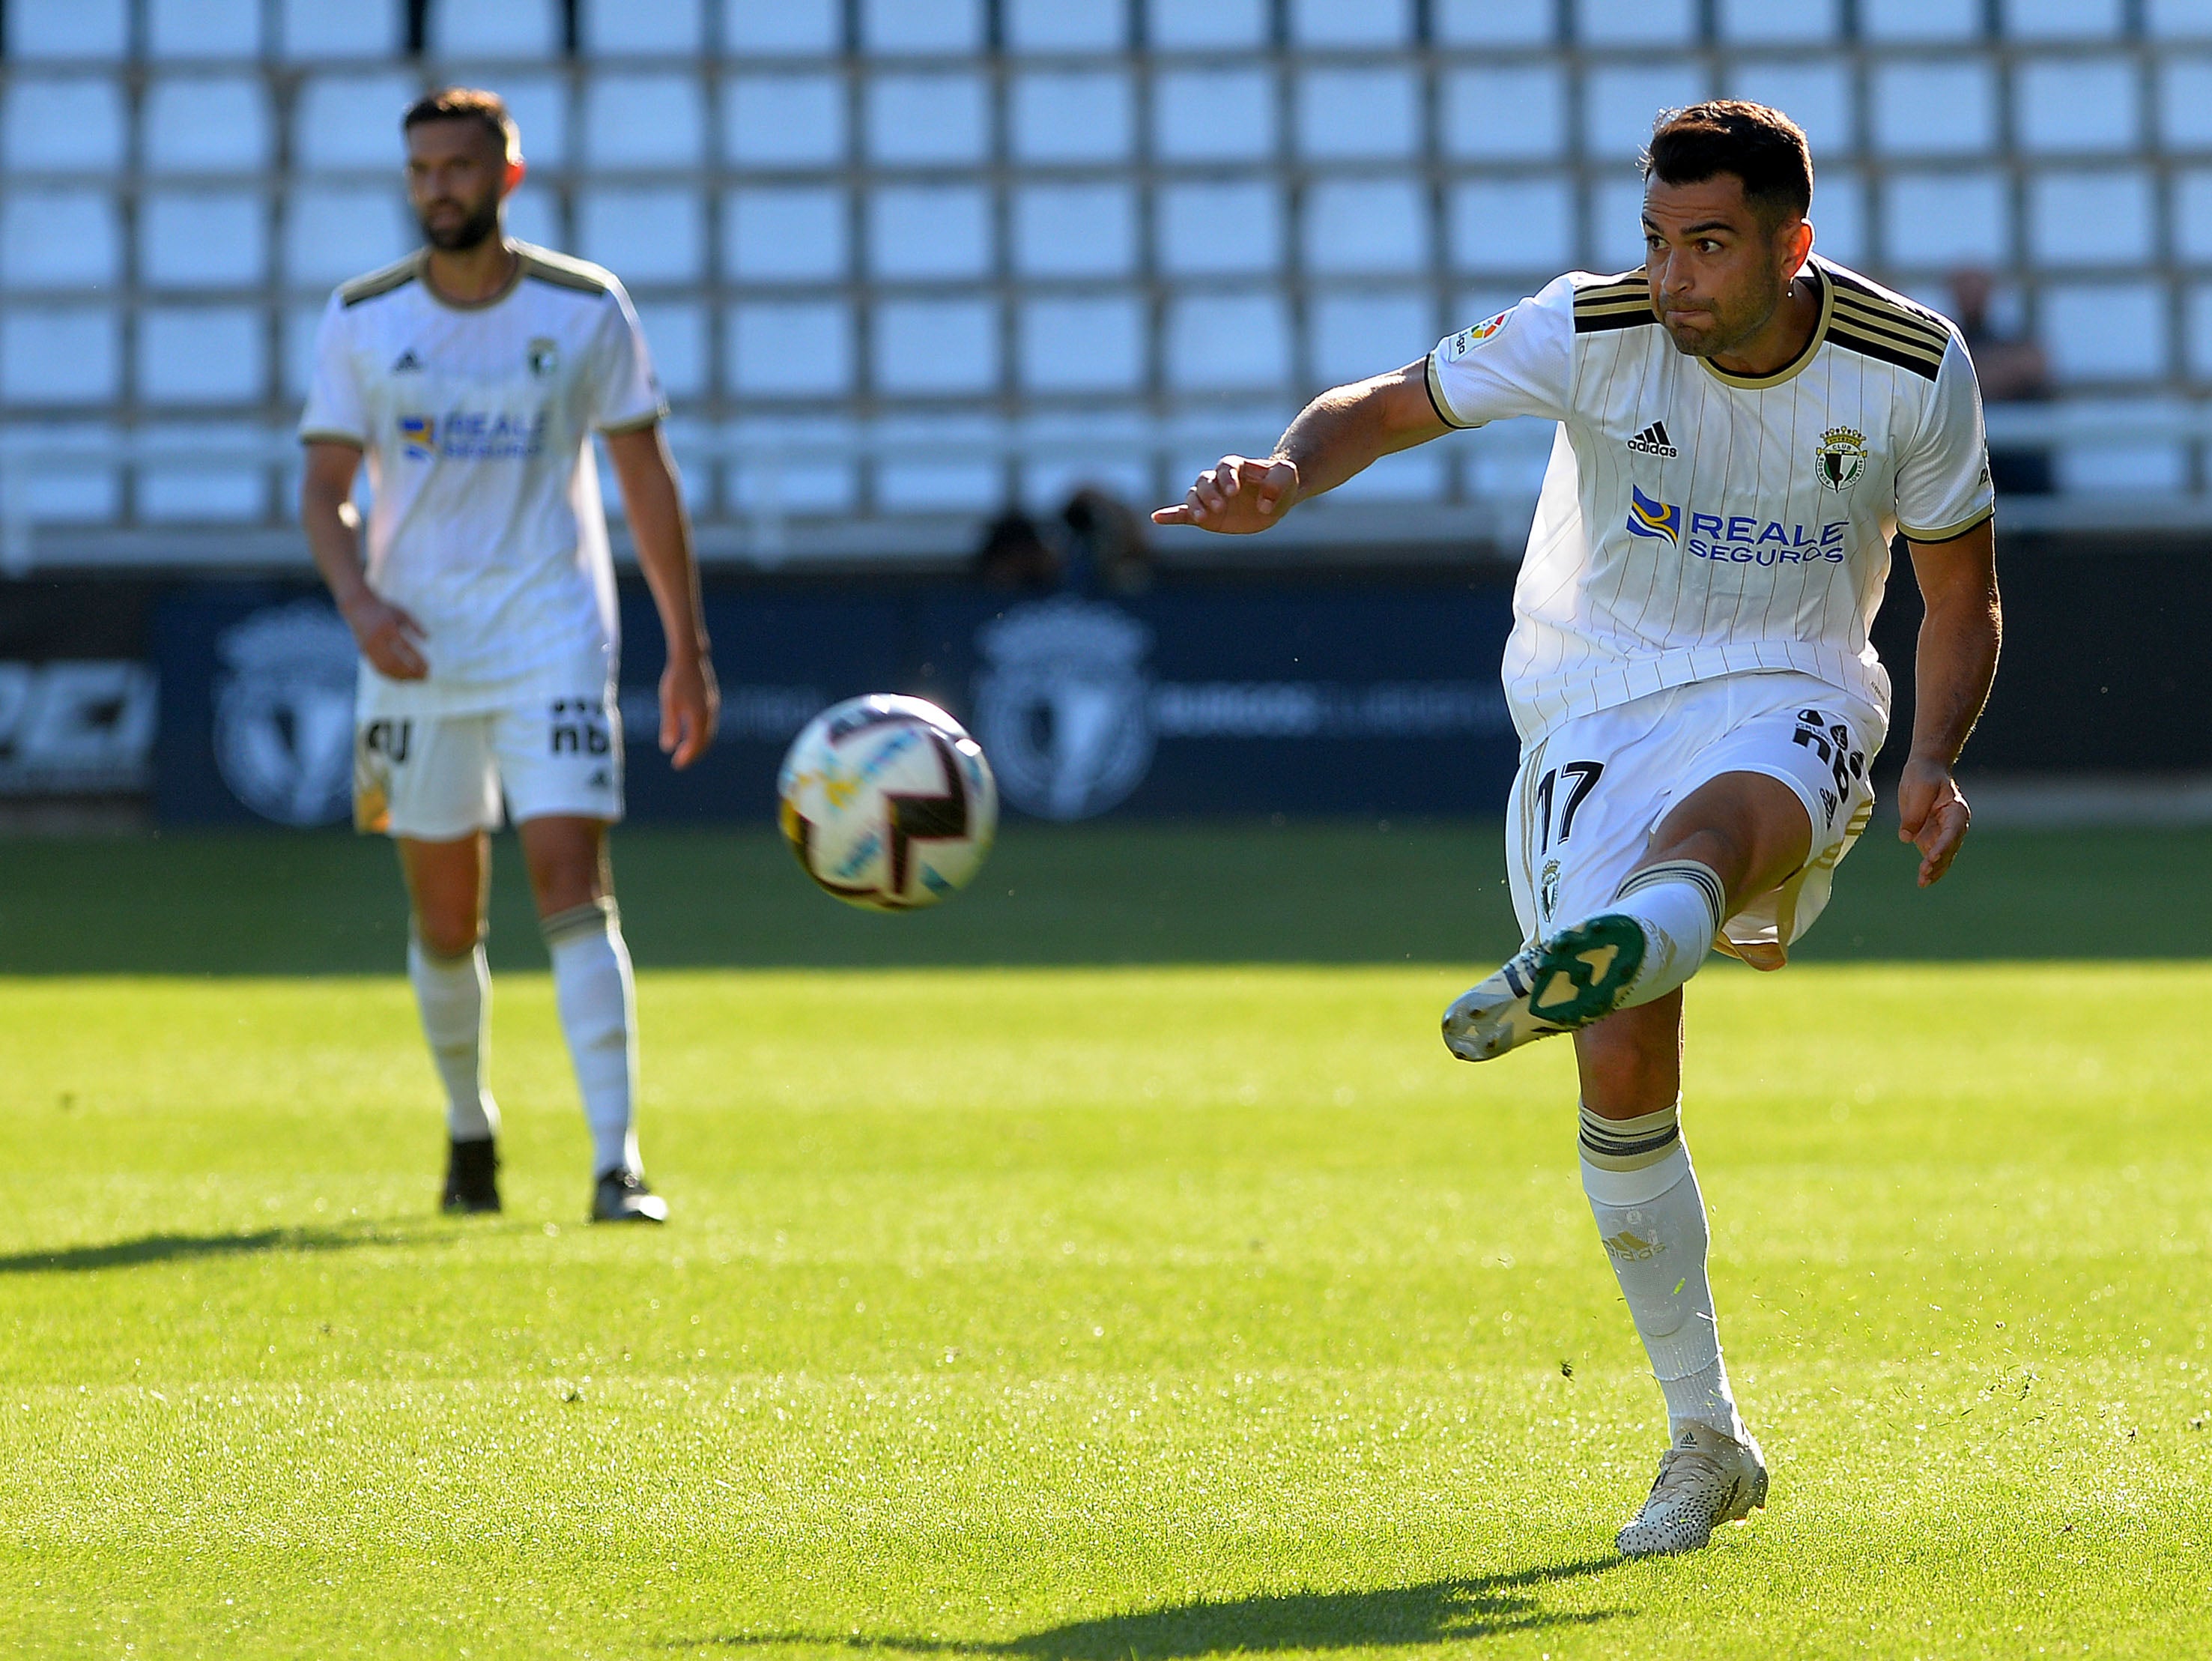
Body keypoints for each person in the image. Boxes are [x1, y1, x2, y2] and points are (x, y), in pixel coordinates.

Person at [1154, 101, 2000, 1556]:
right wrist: (1285, 476)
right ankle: (1708, 1435)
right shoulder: (1590, 326)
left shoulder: (1910, 366)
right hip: (1593, 696)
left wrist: (1930, 755)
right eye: (1658, 242)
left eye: (1710, 245)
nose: (1673, 278)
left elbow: (1962, 592)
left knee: (1735, 822)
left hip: (1795, 678)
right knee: (1621, 1053)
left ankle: (1674, 911)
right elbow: (1389, 401)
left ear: (1793, 243)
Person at [298, 88, 719, 1224]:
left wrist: (687, 647)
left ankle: (614, 1162)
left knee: (572, 885)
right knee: (446, 917)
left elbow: (646, 482)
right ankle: (469, 1134)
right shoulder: (361, 316)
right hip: (410, 650)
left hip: (554, 637)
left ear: (507, 176)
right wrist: (358, 603)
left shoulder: (587, 308)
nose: (439, 186)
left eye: (460, 167)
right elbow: (325, 491)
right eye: (422, 168)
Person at [1948, 267, 2055, 495]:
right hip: (1963, 454)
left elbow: (2034, 364)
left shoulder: (2011, 336)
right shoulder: (1944, 342)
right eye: (1964, 289)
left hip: (2015, 455)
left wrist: (1971, 376)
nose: (1971, 296)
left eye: (1977, 288)